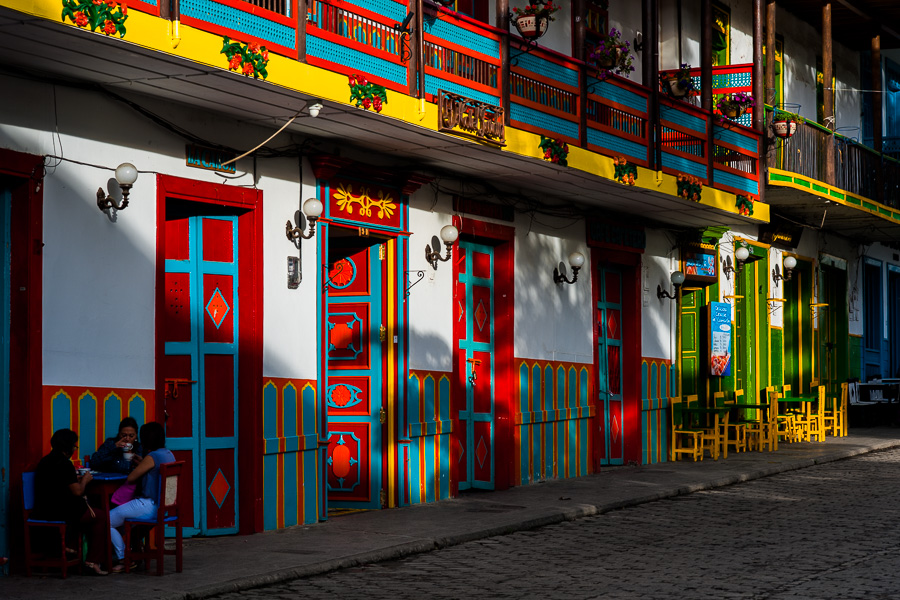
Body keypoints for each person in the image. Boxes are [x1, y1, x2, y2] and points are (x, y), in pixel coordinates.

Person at [31, 428, 109, 575]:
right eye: (74, 446)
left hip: (42, 509)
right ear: (68, 447)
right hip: (61, 512)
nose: (74, 449)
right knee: (100, 516)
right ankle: (92, 561)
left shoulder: (44, 461)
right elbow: (78, 491)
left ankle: (71, 546)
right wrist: (85, 480)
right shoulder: (65, 464)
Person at [108, 421, 175, 573]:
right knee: (122, 523)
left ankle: (123, 557)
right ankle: (130, 553)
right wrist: (142, 462)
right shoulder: (168, 454)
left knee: (108, 520)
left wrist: (140, 463)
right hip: (162, 507)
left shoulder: (151, 456)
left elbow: (131, 478)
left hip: (148, 505)